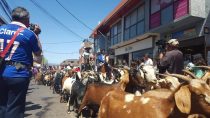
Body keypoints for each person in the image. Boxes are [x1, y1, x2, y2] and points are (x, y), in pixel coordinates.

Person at [0, 7, 42, 118]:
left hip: (1, 72)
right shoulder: (29, 34)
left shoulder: (1, 29)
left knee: (2, 106)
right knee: (14, 109)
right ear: (26, 20)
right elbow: (38, 57)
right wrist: (37, 34)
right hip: (18, 74)